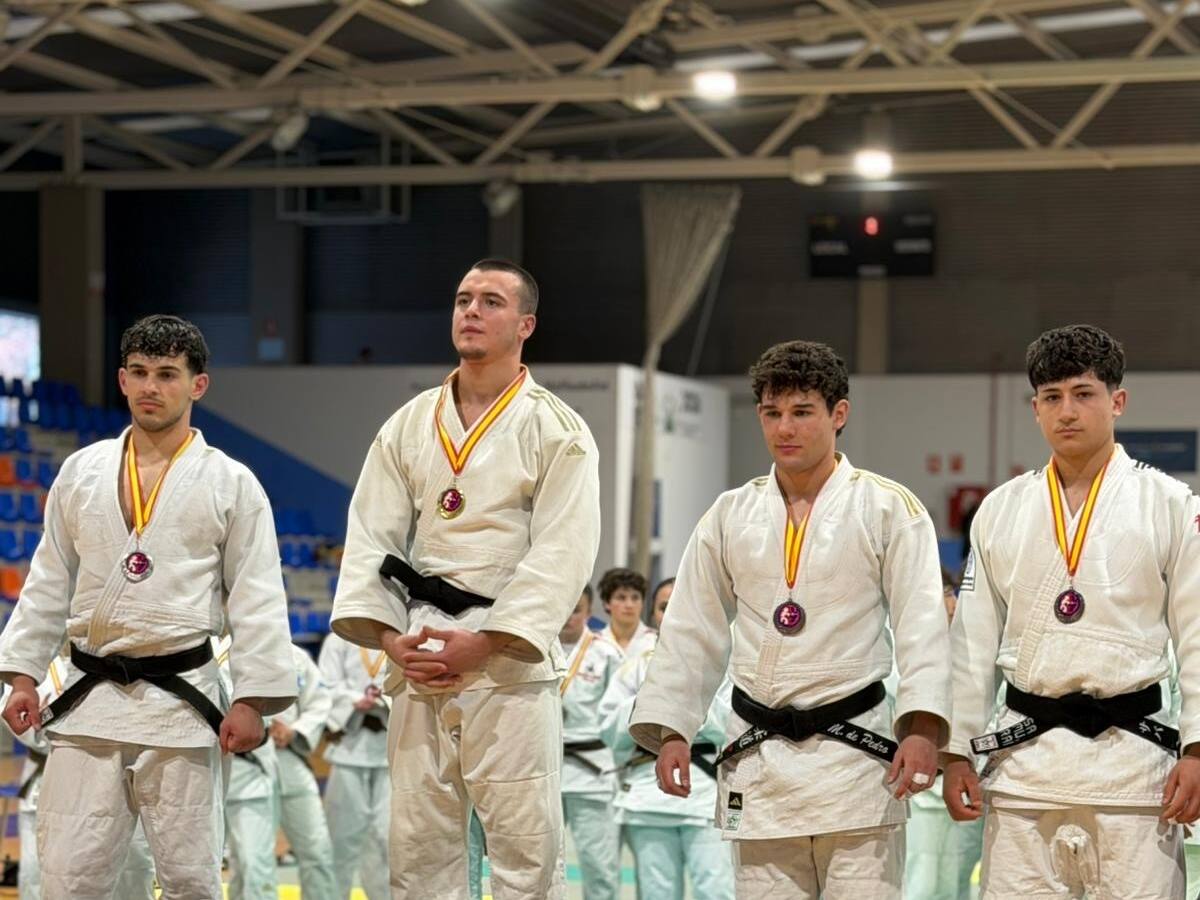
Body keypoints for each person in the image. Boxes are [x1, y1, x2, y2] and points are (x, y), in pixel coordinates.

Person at [629, 339, 951, 899]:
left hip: (856, 762)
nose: (785, 428)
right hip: (760, 761)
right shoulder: (730, 514)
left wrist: (922, 729)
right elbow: (690, 630)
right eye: (772, 413)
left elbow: (923, 628)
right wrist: (673, 728)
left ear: (838, 414)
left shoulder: (888, 508)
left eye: (802, 412)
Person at [330, 258, 601, 899]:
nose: (471, 311)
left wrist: (487, 640)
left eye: (490, 301)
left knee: (523, 852)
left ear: (525, 324)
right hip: (419, 653)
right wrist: (390, 639)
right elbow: (373, 536)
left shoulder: (556, 429)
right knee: (419, 851)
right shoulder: (407, 424)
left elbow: (564, 551)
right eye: (462, 299)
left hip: (505, 661)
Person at [0, 314, 295, 899]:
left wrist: (254, 700)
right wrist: (23, 676)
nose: (150, 387)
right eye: (138, 373)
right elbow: (49, 579)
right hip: (90, 703)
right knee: (71, 878)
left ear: (197, 385)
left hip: (181, 709)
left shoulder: (232, 484)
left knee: (191, 881)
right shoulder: (81, 472)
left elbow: (258, 599)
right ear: (122, 379)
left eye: (166, 374)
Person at [943, 324, 1200, 899]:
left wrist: (1198, 747)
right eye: (1052, 397)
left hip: (1134, 771)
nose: (1068, 411)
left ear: (1118, 401)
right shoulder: (999, 511)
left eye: (1084, 394)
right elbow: (971, 645)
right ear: (1034, 409)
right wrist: (956, 748)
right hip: (1026, 770)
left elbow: (1198, 638)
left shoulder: (1171, 505)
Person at [599, 590, 735, 900]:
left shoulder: (724, 665)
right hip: (648, 795)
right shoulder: (635, 667)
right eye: (664, 607)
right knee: (656, 893)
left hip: (705, 794)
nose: (672, 612)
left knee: (715, 890)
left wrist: (685, 712)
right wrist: (648, 705)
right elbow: (608, 728)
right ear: (654, 615)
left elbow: (732, 726)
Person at [5, 658, 156, 900]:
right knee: (40, 879)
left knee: (131, 875)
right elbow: (17, 719)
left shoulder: (126, 660)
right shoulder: (34, 661)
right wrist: (67, 735)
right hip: (43, 784)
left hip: (118, 780)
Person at [903, 568, 983, 900]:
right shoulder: (903, 653)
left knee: (959, 887)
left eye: (952, 592)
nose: (950, 603)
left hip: (965, 787)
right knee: (916, 886)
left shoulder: (975, 653)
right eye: (944, 593)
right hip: (915, 796)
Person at [560, 588, 624, 900]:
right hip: (545, 769)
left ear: (588, 612)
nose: (569, 616)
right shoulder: (530, 650)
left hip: (593, 771)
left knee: (599, 866)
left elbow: (621, 714)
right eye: (565, 607)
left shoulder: (606, 653)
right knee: (540, 864)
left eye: (577, 609)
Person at [318, 630, 390, 899]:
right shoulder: (339, 639)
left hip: (390, 750)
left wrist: (386, 696)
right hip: (349, 749)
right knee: (341, 840)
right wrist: (354, 699)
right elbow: (324, 685)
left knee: (389, 841)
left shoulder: (402, 635)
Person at [270, 644, 337, 900]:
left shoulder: (296, 656)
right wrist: (262, 725)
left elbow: (319, 703)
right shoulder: (226, 651)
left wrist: (294, 731)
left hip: (291, 758)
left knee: (317, 851)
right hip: (244, 762)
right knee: (251, 859)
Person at [597, 568, 656, 658]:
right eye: (621, 598)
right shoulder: (593, 642)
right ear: (606, 603)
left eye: (635, 598)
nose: (629, 605)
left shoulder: (656, 642)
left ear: (642, 603)